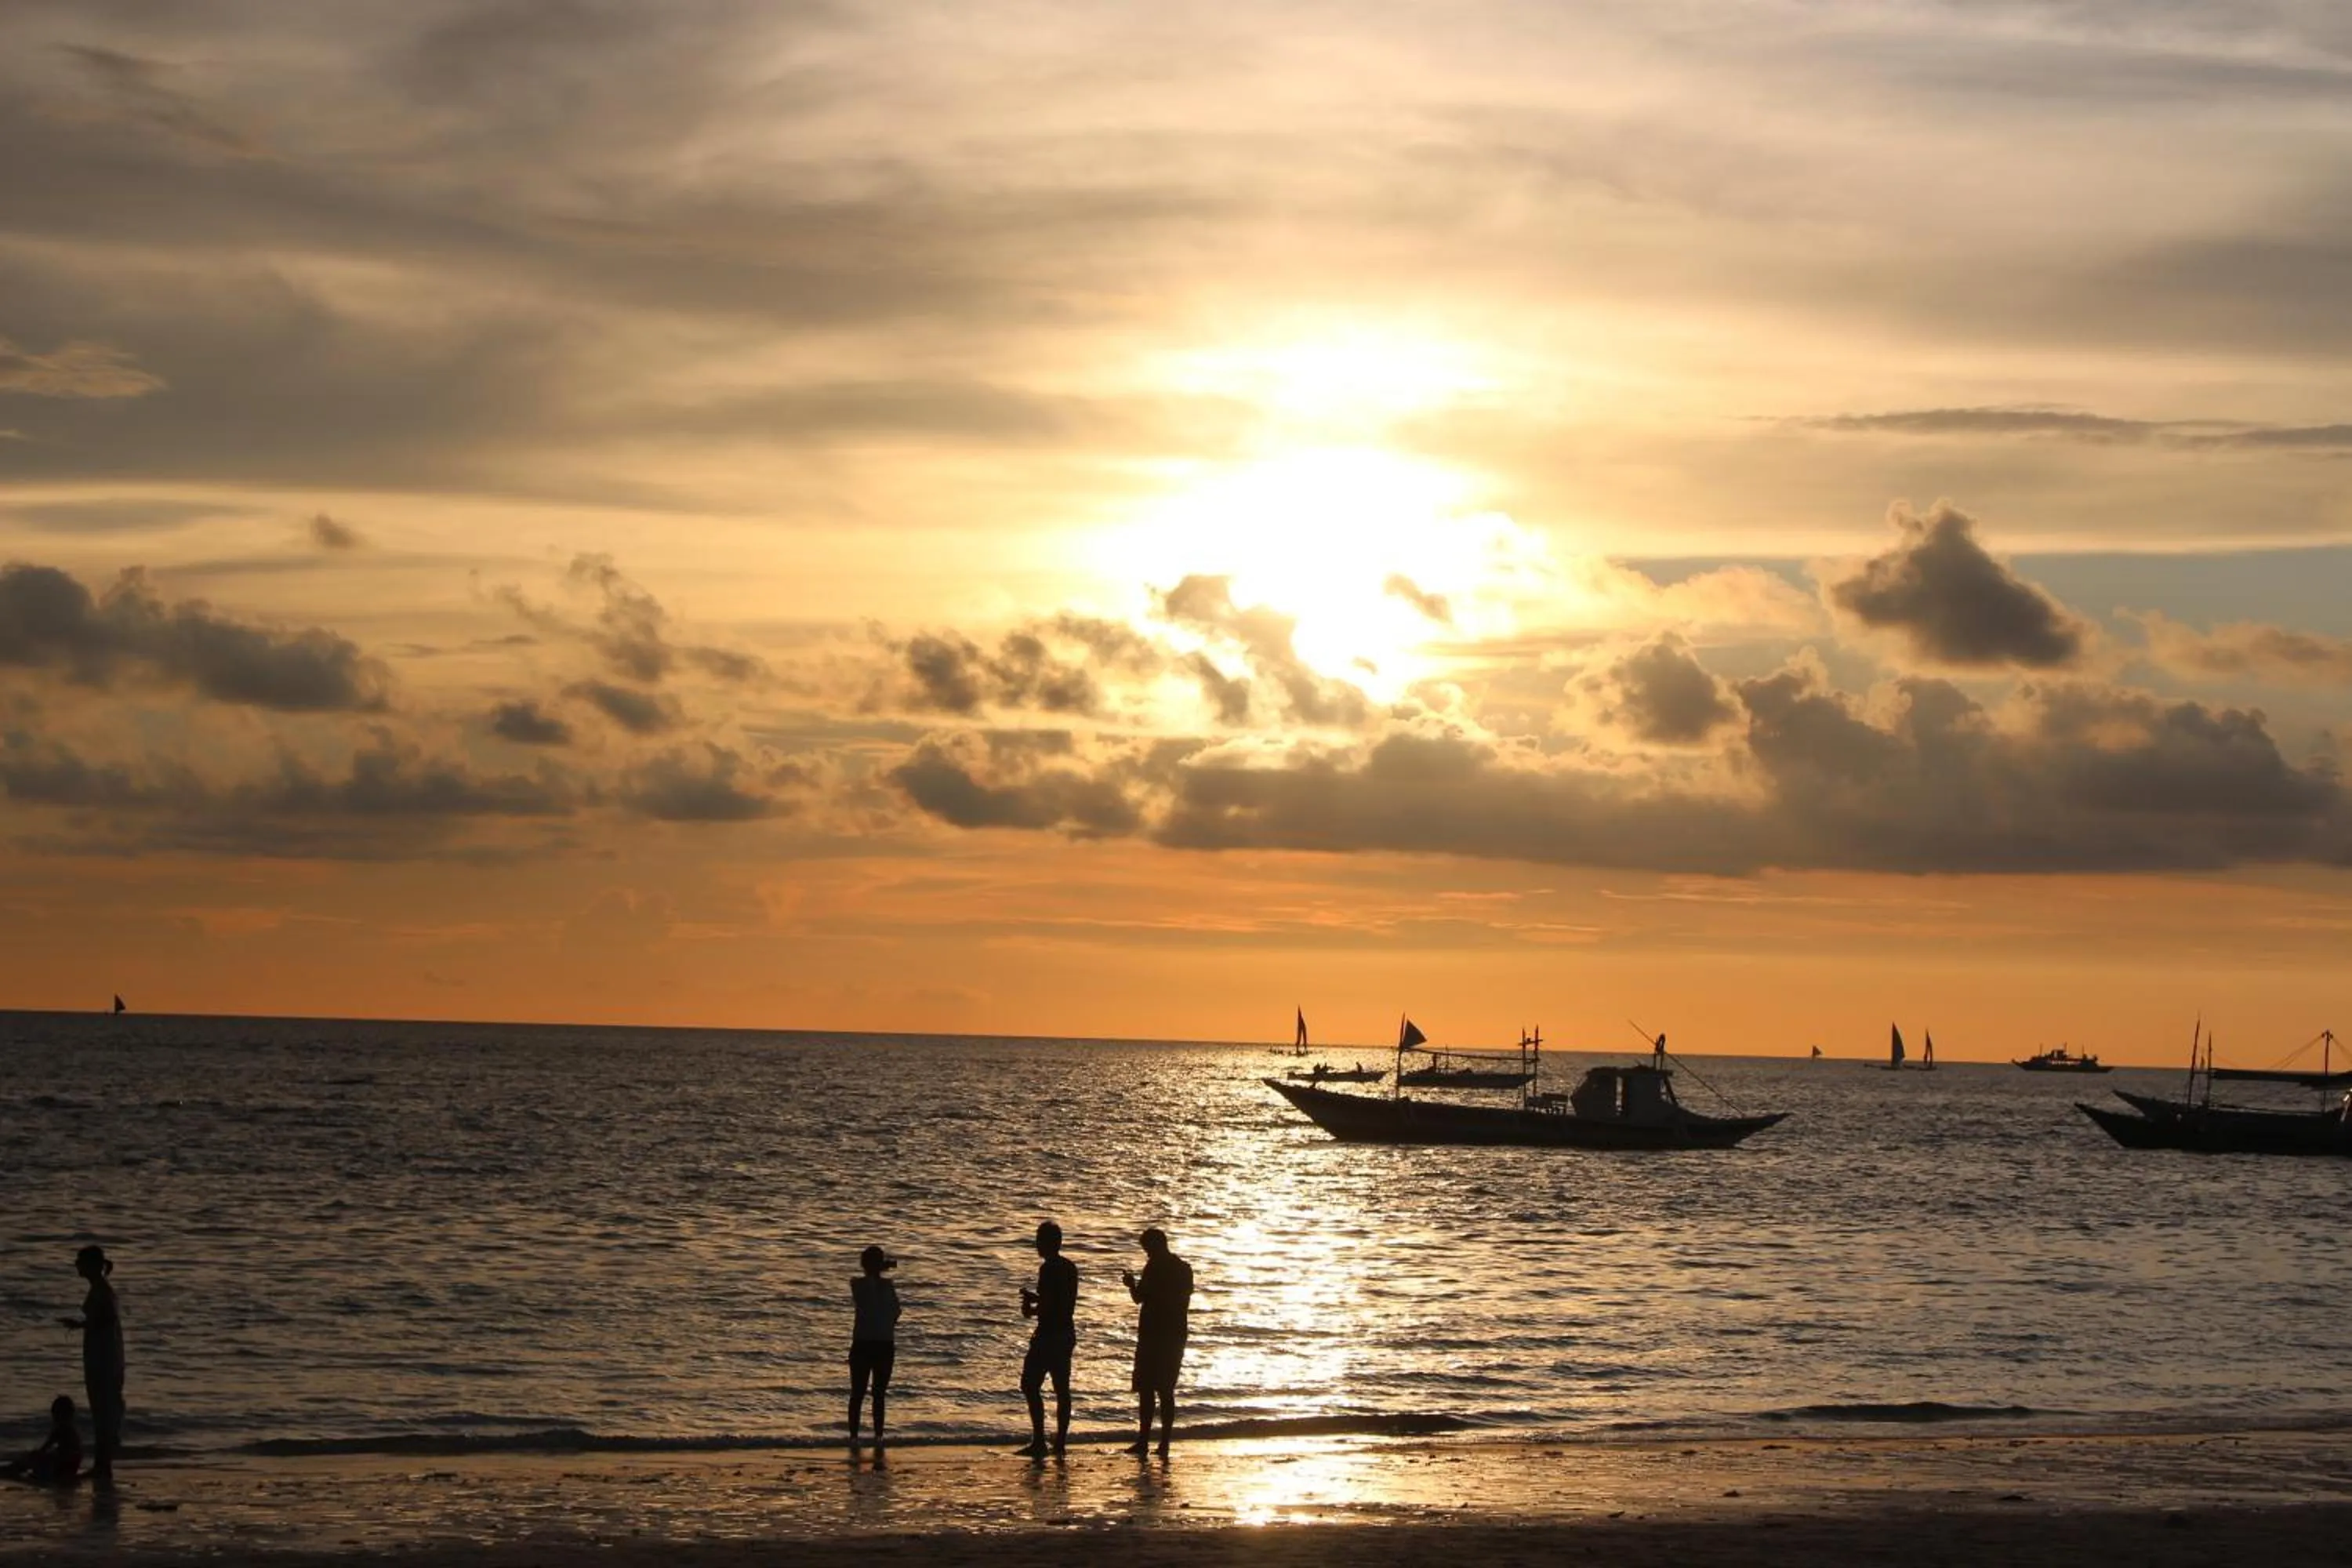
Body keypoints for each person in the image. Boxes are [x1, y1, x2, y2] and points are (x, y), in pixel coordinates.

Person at [1121, 1228, 1194, 1457]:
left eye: (1148, 1250)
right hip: (1175, 1335)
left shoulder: (1154, 1267)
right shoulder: (1184, 1269)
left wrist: (1131, 1284)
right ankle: (1164, 1442)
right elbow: (1184, 1300)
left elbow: (1139, 1298)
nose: (1147, 1254)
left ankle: (1143, 1441)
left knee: (1146, 1389)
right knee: (1166, 1390)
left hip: (1153, 1334)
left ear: (1155, 1246)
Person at [59, 1246, 122, 1482]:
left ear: (93, 1265)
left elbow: (107, 1320)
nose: (77, 1265)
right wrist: (79, 1325)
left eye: (80, 1261)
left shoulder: (103, 1291)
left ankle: (102, 1465)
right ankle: (102, 1464)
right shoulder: (100, 1290)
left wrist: (85, 1325)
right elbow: (102, 1320)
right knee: (101, 1408)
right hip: (101, 1352)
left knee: (103, 1408)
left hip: (103, 1356)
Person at [1017, 1220, 1077, 1458]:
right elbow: (1058, 1300)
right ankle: (1060, 1442)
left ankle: (1039, 1440)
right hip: (1066, 1333)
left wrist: (1031, 1310)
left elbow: (1049, 1305)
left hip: (1049, 1335)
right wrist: (1037, 1299)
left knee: (1030, 1385)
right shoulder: (1069, 1267)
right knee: (1062, 1389)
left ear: (1046, 1243)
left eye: (1038, 1240)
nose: (1036, 1245)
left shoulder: (1048, 1268)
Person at [847, 1245, 902, 1451]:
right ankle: (854, 1437)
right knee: (858, 1392)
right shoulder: (858, 1284)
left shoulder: (887, 1286)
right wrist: (876, 1273)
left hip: (882, 1343)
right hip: (865, 1343)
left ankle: (878, 1436)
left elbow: (896, 1311)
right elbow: (867, 1292)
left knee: (879, 1393)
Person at [0, 1396, 82, 1486]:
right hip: (71, 1465)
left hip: (61, 1466)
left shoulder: (60, 1430)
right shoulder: (72, 1431)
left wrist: (35, 1456)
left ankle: (11, 1470)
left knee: (32, 1458)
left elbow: (45, 1448)